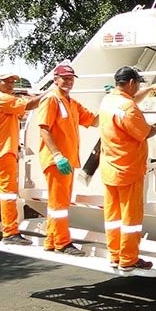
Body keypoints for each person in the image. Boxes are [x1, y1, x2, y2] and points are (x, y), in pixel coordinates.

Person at [99, 66, 156, 271]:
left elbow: (129, 102)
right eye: (138, 83)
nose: (138, 86)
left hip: (110, 168)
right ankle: (128, 260)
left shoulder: (109, 101)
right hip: (128, 170)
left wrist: (148, 90)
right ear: (131, 83)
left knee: (113, 217)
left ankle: (115, 255)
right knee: (131, 218)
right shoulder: (128, 108)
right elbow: (145, 132)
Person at [0, 71, 47, 248]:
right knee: (8, 193)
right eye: (7, 82)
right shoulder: (1, 99)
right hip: (2, 152)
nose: (11, 85)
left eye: (12, 82)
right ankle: (10, 232)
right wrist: (50, 92)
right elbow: (30, 104)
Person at [37, 63, 99, 256]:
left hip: (67, 161)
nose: (69, 82)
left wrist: (109, 100)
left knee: (58, 203)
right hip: (57, 161)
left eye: (71, 78)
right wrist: (57, 155)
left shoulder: (71, 103)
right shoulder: (51, 99)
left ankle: (51, 240)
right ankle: (63, 243)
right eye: (65, 78)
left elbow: (94, 120)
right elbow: (43, 129)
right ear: (55, 79)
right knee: (59, 205)